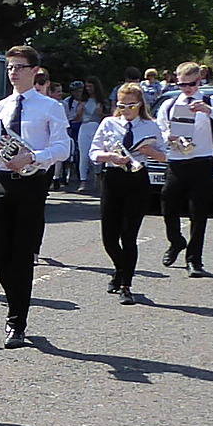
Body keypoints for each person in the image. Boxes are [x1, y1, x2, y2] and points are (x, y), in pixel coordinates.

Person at [0, 46, 71, 348]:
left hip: (31, 184)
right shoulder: (1, 107)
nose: (13, 72)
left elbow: (64, 148)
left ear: (35, 70)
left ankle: (16, 321)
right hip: (1, 180)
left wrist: (33, 157)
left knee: (21, 256)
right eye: (10, 67)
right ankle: (15, 300)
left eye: (19, 67)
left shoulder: (49, 106)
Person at [154, 61, 213, 277]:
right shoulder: (170, 104)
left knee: (198, 212)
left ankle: (194, 259)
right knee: (167, 204)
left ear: (199, 81)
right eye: (182, 84)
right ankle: (176, 241)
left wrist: (208, 110)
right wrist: (167, 137)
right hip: (176, 161)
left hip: (201, 161)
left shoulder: (211, 100)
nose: (186, 89)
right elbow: (159, 129)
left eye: (191, 84)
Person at [90, 85, 167, 304]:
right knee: (109, 238)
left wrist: (152, 152)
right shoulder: (109, 123)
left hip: (138, 179)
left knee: (129, 235)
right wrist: (110, 157)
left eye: (130, 106)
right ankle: (120, 268)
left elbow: (166, 155)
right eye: (121, 105)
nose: (125, 110)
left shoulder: (150, 125)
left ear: (140, 104)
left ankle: (126, 284)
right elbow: (93, 152)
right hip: (113, 178)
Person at [74, 78, 106, 191]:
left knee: (97, 153)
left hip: (96, 126)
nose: (88, 89)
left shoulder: (100, 101)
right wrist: (80, 112)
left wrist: (100, 113)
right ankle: (83, 181)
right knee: (84, 155)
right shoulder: (83, 101)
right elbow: (77, 119)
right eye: (87, 87)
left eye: (90, 86)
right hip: (85, 126)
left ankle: (98, 176)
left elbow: (105, 117)